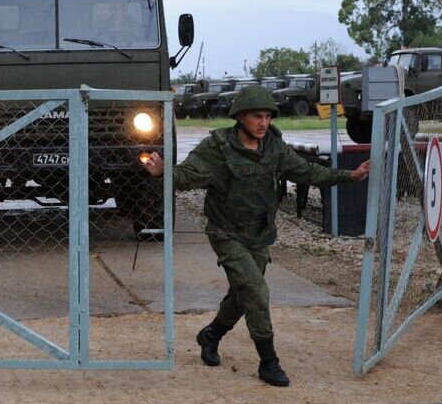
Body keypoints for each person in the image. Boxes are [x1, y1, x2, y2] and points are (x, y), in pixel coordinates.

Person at [141, 85, 370, 387]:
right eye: (256, 117)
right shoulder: (217, 148)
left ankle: (211, 335)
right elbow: (187, 176)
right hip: (226, 233)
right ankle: (269, 362)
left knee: (243, 294)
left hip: (260, 234)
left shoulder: (274, 146)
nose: (263, 123)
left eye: (267, 117)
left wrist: (348, 175)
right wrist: (162, 173)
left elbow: (306, 172)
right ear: (241, 118)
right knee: (256, 291)